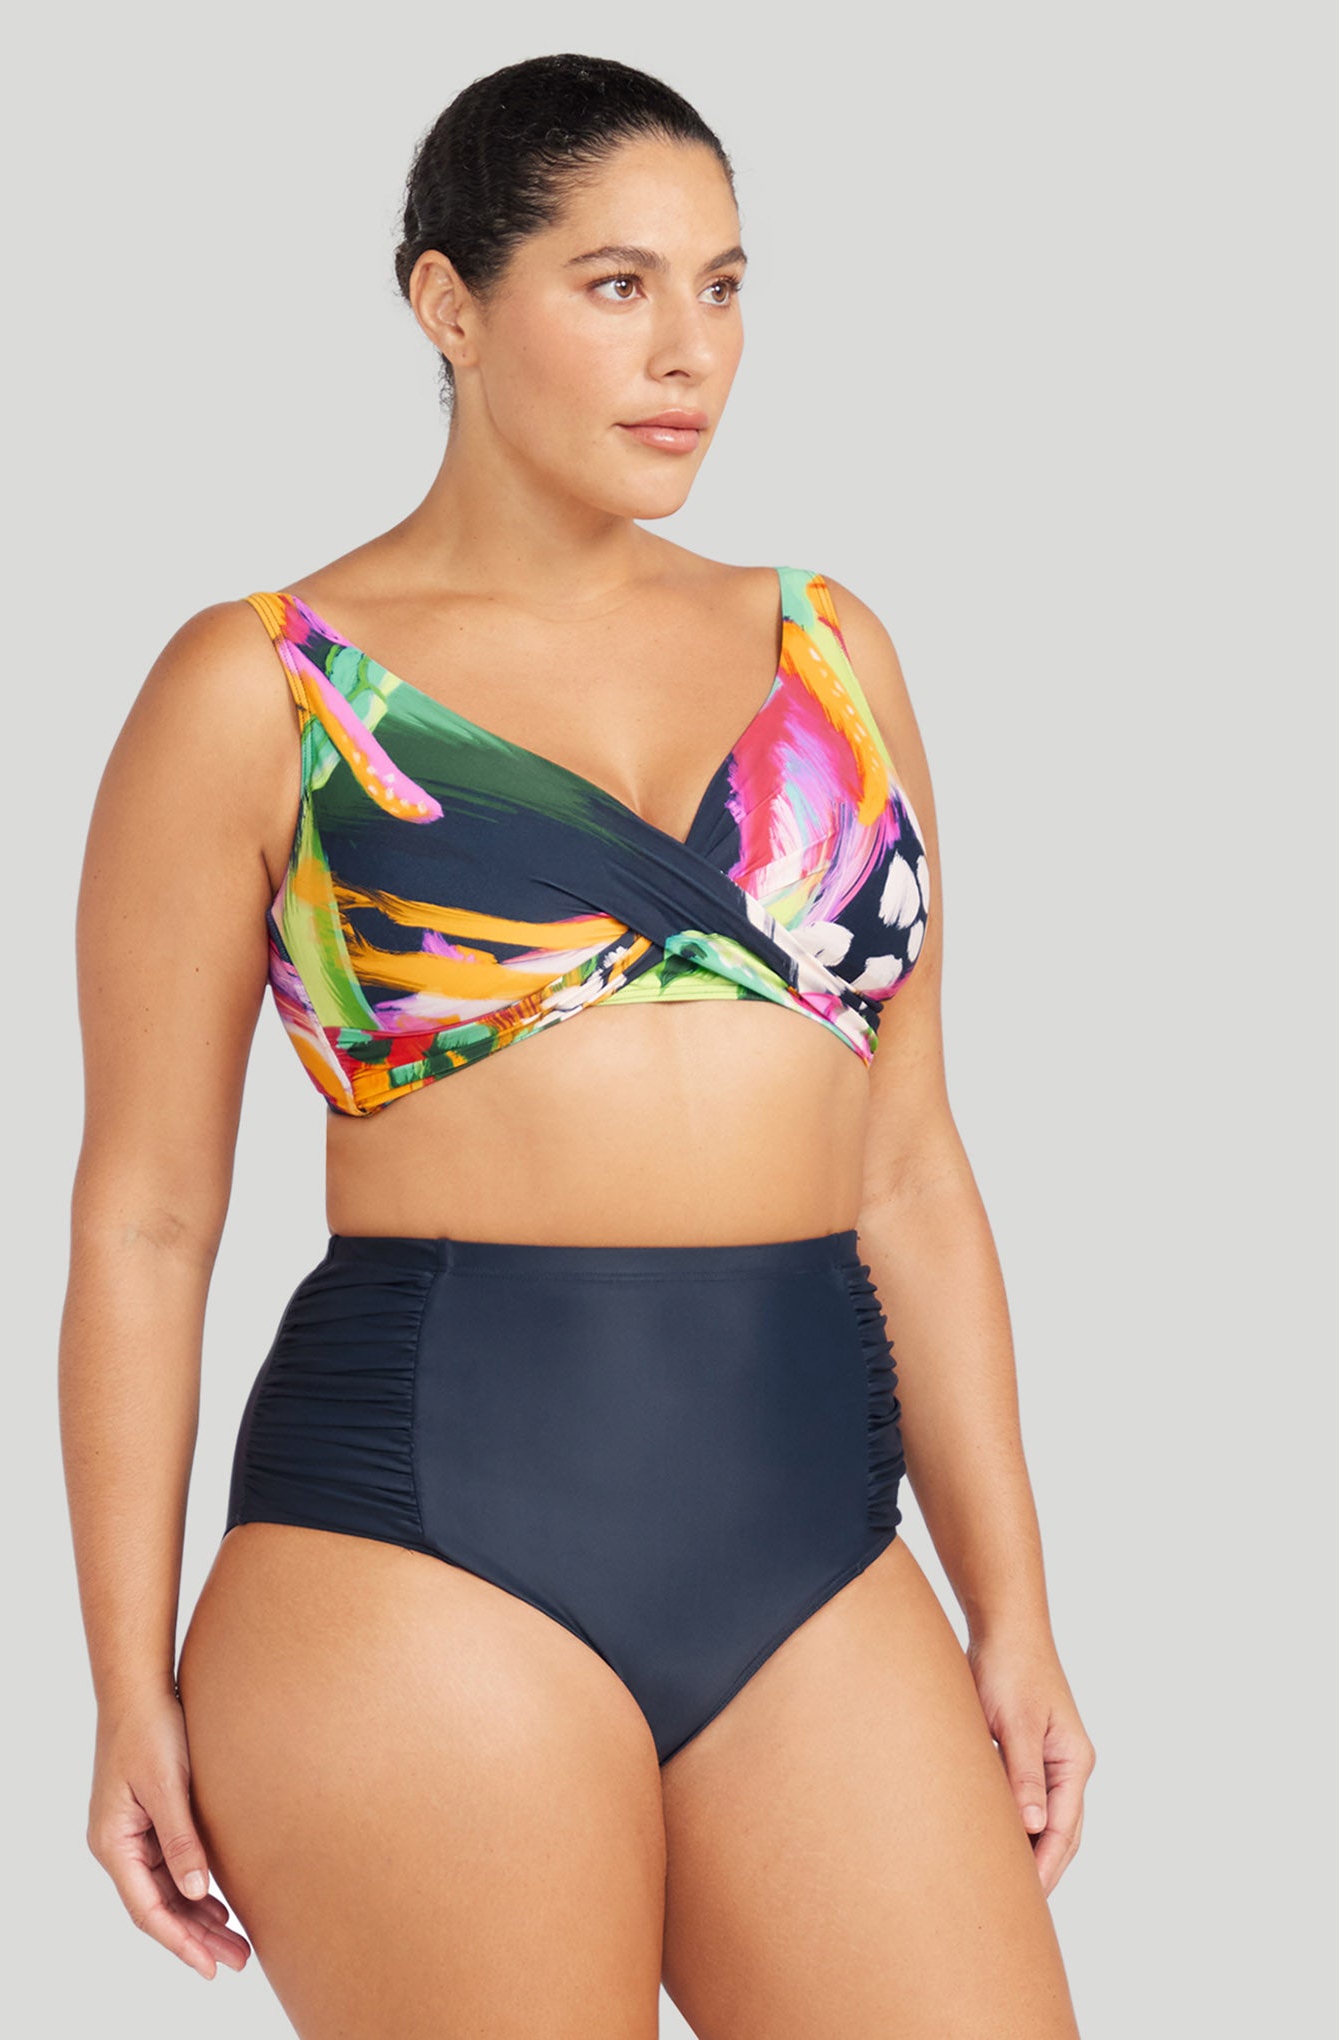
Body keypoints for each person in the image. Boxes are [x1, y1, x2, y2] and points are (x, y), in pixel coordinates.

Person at [60, 50, 1094, 2039]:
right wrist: (123, 1684)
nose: (689, 350)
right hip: (416, 1547)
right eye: (616, 286)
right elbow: (147, 1222)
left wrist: (1016, 1607)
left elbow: (909, 1172)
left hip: (814, 1540)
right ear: (447, 304)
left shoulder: (832, 648)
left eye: (723, 286)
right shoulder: (260, 688)